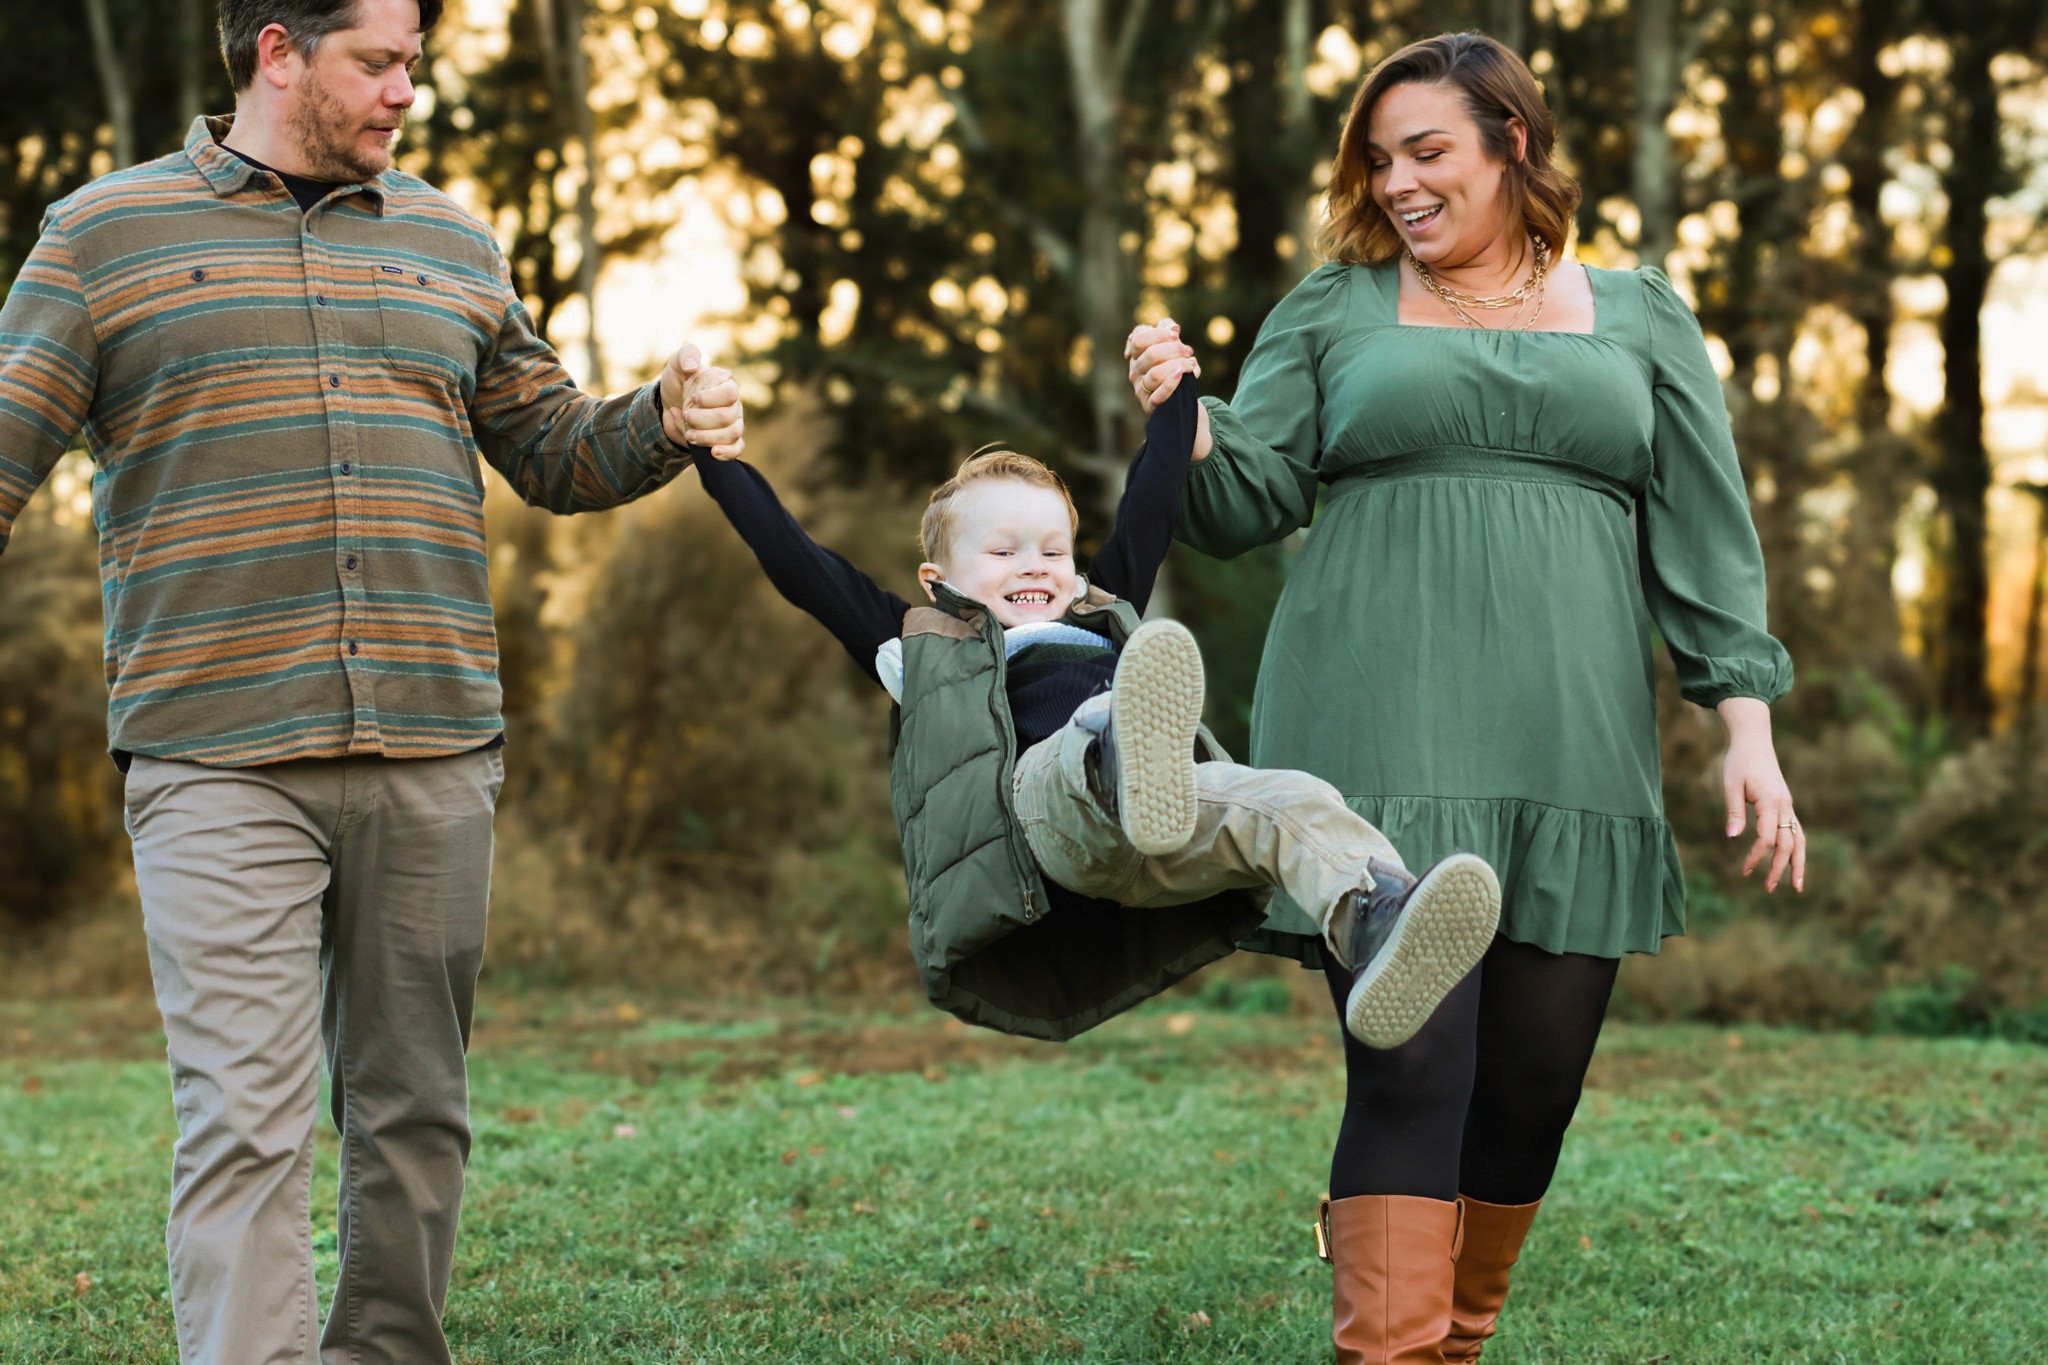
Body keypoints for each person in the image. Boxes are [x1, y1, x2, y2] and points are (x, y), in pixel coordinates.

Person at [0, 2, 743, 1361]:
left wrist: (661, 422)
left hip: (435, 747)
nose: (409, 91)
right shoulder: (103, 235)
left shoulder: (451, 240)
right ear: (278, 51)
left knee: (414, 1112)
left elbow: (551, 447)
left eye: (413, 63)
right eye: (379, 63)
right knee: (246, 1116)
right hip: (216, 756)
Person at [1125, 32, 1802, 1365]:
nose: (1398, 183)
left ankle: (1454, 1338)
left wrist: (1749, 725)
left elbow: (1707, 535)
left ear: (1515, 142)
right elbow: (1249, 496)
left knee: (1531, 1095)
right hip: (1376, 718)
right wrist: (1188, 421)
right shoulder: (1334, 306)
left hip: (1572, 735)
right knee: (1411, 1059)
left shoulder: (1645, 316)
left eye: (1427, 150)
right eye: (1379, 160)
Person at [694, 377, 1501, 1050]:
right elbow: (798, 563)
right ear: (938, 576)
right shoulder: (922, 644)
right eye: (1003, 551)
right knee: (1084, 737)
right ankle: (1120, 747)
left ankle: (1372, 914)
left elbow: (1151, 501)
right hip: (1047, 833)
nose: (1034, 566)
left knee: (1284, 798)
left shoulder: (1100, 614)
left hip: (1157, 842)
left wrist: (1176, 396)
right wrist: (718, 460)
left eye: (1052, 550)